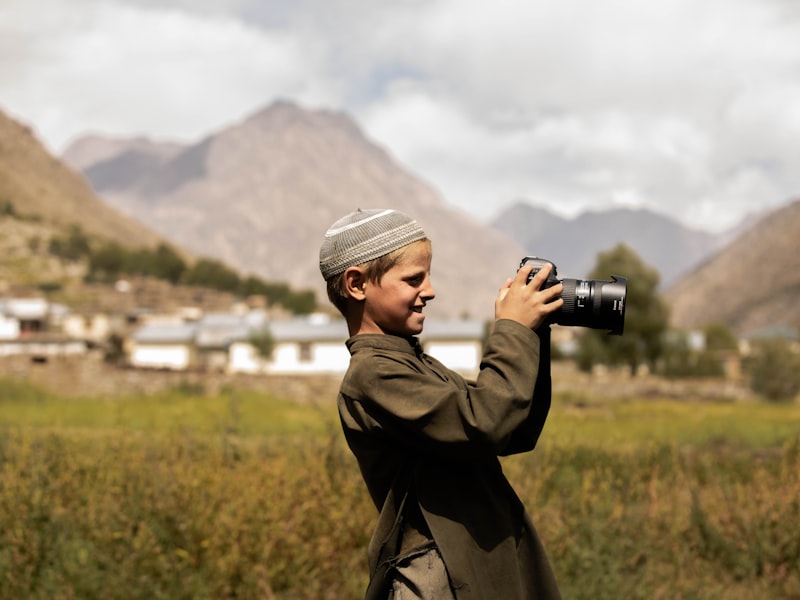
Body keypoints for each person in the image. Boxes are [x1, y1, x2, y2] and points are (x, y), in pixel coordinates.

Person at [319, 208, 563, 600]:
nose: (429, 290)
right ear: (357, 284)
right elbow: (485, 423)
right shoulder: (373, 376)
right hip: (442, 579)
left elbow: (513, 429)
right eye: (414, 279)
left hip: (470, 570)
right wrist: (513, 330)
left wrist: (534, 333)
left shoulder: (413, 365)